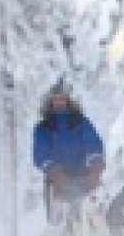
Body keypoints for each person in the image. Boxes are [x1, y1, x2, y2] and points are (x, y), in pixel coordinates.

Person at [33, 80, 105, 216]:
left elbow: (93, 143)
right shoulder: (43, 128)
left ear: (68, 100)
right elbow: (41, 153)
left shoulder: (81, 122)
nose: (59, 102)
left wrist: (96, 166)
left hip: (84, 176)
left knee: (95, 216)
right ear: (50, 102)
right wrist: (54, 171)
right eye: (55, 99)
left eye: (62, 99)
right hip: (57, 182)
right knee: (59, 223)